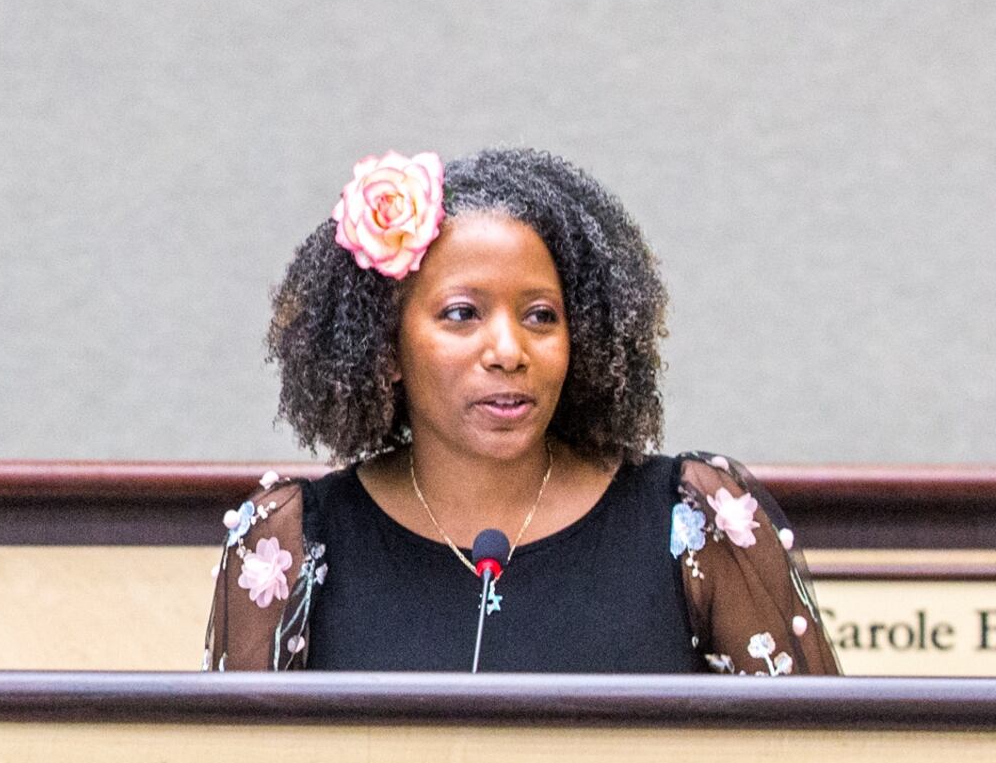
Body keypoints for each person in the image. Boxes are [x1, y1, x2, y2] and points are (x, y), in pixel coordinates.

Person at [204, 148, 840, 676]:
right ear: (387, 347)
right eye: (462, 314)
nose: (509, 351)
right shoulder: (290, 543)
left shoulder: (693, 519)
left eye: (541, 316)